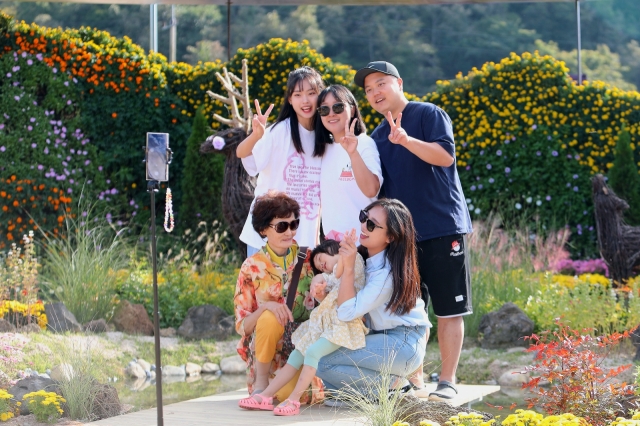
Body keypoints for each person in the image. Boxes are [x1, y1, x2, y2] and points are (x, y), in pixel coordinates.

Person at [353, 61, 473, 400]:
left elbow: (445, 157)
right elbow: (374, 189)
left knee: (450, 309)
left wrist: (405, 140)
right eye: (368, 89)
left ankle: (447, 381)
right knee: (407, 312)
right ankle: (413, 380)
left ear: (399, 83)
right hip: (403, 239)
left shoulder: (428, 114)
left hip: (443, 227)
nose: (374, 92)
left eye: (380, 84)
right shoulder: (375, 137)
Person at [315, 199, 431, 403]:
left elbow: (346, 312)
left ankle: (395, 386)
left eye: (371, 224)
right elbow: (339, 292)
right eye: (363, 217)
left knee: (322, 361)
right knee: (329, 379)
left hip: (401, 344)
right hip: (386, 340)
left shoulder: (386, 275)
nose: (363, 226)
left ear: (390, 237)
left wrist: (348, 268)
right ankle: (372, 393)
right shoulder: (367, 260)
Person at [238, 238, 367, 416]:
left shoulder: (353, 259)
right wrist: (321, 290)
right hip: (327, 323)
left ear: (334, 249)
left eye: (322, 260)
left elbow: (340, 274)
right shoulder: (333, 272)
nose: (323, 267)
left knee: (313, 352)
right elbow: (330, 295)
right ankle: (265, 395)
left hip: (343, 326)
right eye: (320, 267)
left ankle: (293, 400)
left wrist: (320, 276)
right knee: (298, 353)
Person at [233, 191, 323, 406]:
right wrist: (266, 308)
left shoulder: (311, 259)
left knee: (287, 396)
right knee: (267, 316)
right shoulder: (251, 266)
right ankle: (261, 384)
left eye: (294, 224)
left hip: (302, 349)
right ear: (264, 229)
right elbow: (242, 326)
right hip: (268, 353)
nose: (290, 231)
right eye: (282, 226)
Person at [237, 67, 325, 256]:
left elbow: (318, 197)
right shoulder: (279, 132)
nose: (305, 101)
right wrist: (256, 135)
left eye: (312, 93)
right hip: (268, 235)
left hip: (303, 239)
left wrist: (315, 238)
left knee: (300, 287)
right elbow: (242, 154)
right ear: (290, 100)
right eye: (298, 94)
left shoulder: (326, 139)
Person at [314, 85, 382, 241]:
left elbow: (372, 190)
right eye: (324, 110)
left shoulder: (364, 143)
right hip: (333, 248)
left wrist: (353, 153)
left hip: (363, 245)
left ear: (351, 110)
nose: (331, 113)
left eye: (338, 107)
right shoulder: (322, 150)